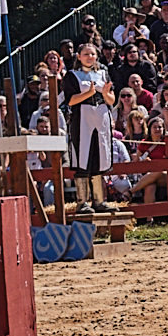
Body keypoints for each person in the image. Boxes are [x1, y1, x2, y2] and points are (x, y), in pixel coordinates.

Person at [60, 42, 117, 214]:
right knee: (83, 158)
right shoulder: (72, 75)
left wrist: (106, 93)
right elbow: (70, 101)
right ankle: (82, 202)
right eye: (86, 54)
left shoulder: (102, 73)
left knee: (100, 157)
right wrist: (89, 93)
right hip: (82, 118)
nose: (90, 57)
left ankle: (99, 200)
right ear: (79, 56)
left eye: (92, 54)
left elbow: (112, 100)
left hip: (101, 117)